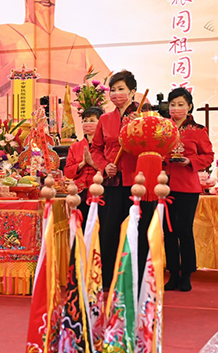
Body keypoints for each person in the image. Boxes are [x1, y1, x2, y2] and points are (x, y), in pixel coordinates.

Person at [90, 70, 147, 289]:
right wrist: (105, 167)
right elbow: (96, 148)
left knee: (136, 230)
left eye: (121, 89)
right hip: (112, 182)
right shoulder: (105, 119)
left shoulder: (143, 117)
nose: (116, 94)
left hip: (137, 182)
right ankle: (107, 279)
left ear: (133, 92)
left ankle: (136, 278)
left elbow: (150, 147)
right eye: (112, 90)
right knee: (110, 230)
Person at [162, 88, 214, 292]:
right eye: (173, 105)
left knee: (184, 230)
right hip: (164, 186)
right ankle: (173, 273)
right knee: (169, 231)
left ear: (190, 107)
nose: (176, 108)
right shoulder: (162, 128)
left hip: (187, 187)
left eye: (180, 104)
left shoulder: (198, 130)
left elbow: (208, 156)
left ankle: (187, 274)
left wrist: (190, 161)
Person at [64, 106, 103, 225]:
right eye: (85, 121)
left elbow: (110, 170)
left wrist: (93, 164)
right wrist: (81, 164)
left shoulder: (105, 146)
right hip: (78, 193)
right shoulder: (75, 146)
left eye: (92, 121)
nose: (87, 124)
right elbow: (68, 172)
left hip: (99, 193)